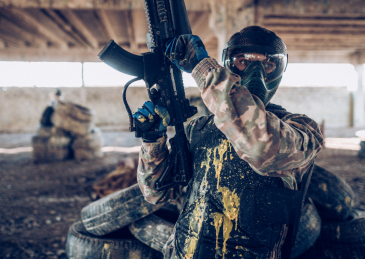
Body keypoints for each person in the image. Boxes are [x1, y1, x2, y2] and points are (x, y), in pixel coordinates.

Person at [133, 26, 324, 259]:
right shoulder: (199, 128)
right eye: (243, 61)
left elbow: (261, 146)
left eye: (268, 64)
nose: (256, 72)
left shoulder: (301, 129)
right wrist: (153, 141)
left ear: (279, 71)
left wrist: (203, 70)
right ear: (228, 65)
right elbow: (156, 193)